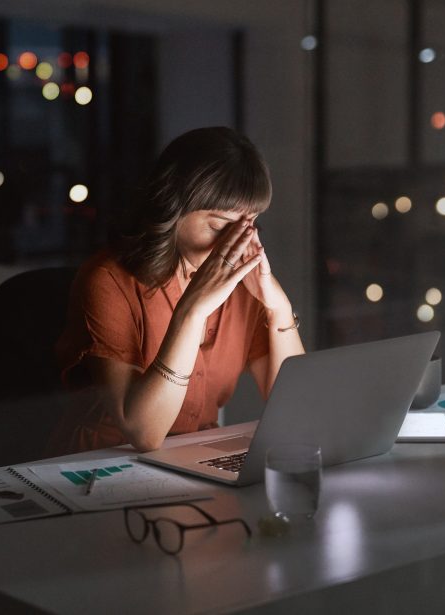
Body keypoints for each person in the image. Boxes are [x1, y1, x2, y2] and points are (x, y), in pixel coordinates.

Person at [45, 127, 304, 456]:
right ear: (173, 208)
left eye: (249, 224)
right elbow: (144, 433)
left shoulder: (242, 289)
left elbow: (297, 408)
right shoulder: (107, 280)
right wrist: (193, 311)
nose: (236, 242)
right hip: (101, 468)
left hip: (192, 459)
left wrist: (278, 306)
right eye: (221, 225)